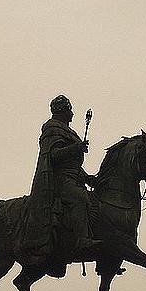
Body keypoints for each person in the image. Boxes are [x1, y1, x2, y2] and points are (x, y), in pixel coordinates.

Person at [23, 93, 99, 271]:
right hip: (59, 181)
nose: (72, 114)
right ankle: (82, 240)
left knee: (95, 200)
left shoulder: (68, 131)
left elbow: (72, 164)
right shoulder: (51, 129)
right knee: (79, 198)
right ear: (63, 111)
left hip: (73, 178)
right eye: (70, 110)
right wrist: (76, 147)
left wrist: (88, 178)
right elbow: (54, 156)